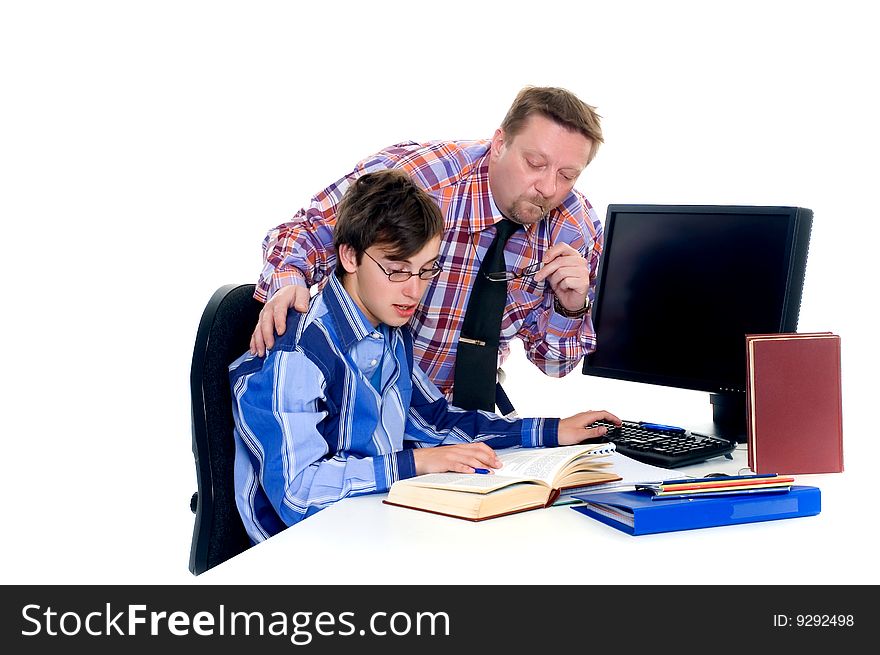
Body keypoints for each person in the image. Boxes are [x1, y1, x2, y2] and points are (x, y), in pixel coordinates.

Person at [231, 170, 620, 543]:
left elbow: (433, 419)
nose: (413, 292)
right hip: (299, 547)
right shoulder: (298, 351)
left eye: (426, 271)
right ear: (349, 257)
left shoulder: (389, 330)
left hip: (369, 520)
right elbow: (299, 493)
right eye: (397, 270)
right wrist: (416, 464)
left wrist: (552, 431)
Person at [249, 85, 605, 405]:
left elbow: (554, 365)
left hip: (459, 422)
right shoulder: (417, 177)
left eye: (567, 175)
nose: (548, 187)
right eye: (535, 163)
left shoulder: (576, 229)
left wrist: (572, 306)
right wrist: (289, 280)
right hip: (366, 405)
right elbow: (304, 233)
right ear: (499, 144)